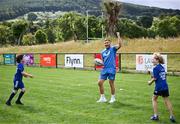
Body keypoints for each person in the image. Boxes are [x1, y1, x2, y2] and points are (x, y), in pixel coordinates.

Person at [148, 53, 176, 123]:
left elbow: (155, 78)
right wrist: (153, 77)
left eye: (153, 59)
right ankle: (172, 116)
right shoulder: (162, 67)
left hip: (159, 87)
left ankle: (155, 116)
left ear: (157, 60)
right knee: (167, 100)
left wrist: (149, 82)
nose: (152, 60)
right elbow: (162, 76)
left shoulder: (155, 68)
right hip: (165, 86)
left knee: (154, 99)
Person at [97, 32, 122, 103]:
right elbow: (102, 61)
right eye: (105, 43)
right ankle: (102, 98)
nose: (106, 44)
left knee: (111, 83)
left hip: (111, 69)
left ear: (110, 43)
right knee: (99, 83)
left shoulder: (113, 49)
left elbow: (120, 45)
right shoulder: (102, 52)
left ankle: (113, 98)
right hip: (104, 69)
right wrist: (100, 63)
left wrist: (118, 35)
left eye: (107, 42)